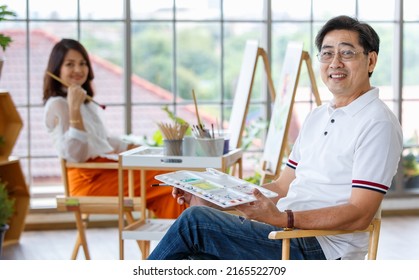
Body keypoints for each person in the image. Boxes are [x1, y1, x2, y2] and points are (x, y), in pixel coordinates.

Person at [147, 15, 403, 260]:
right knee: (195, 236)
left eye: (346, 53)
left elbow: (360, 214)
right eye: (327, 53)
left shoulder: (377, 123)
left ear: (371, 61)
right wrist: (216, 200)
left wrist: (284, 219)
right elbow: (281, 187)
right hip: (284, 234)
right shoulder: (317, 116)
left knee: (194, 224)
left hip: (322, 247)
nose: (335, 62)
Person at [42, 38, 187, 219]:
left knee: (171, 189)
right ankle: (180, 244)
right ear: (57, 69)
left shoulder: (88, 103)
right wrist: (73, 110)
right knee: (169, 179)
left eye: (82, 63)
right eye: (70, 64)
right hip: (88, 180)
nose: (78, 70)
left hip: (107, 170)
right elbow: (75, 154)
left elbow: (104, 140)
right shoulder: (57, 104)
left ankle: (179, 245)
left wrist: (137, 148)